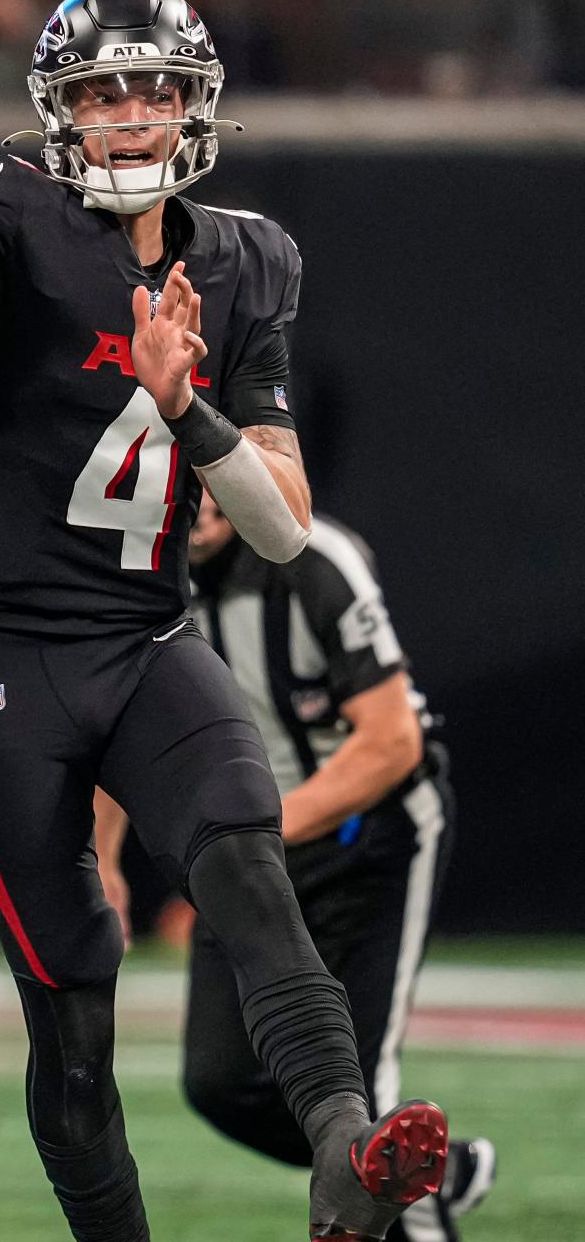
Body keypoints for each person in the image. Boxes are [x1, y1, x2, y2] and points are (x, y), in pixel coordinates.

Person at [0, 0, 448, 1241]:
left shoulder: (246, 259)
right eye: (105, 91)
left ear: (197, 106)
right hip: (2, 660)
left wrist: (192, 410)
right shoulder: (6, 208)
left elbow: (282, 524)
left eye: (157, 89)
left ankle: (349, 1154)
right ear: (62, 111)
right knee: (73, 1001)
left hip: (146, 639)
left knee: (251, 873)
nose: (131, 114)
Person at [96, 494, 496, 1241]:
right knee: (219, 1084)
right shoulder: (136, 575)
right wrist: (105, 861)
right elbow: (120, 719)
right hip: (248, 839)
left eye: (214, 474)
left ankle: (399, 1211)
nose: (204, 499)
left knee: (358, 1088)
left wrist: (244, 843)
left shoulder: (312, 560)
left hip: (371, 834)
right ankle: (426, 1180)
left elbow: (390, 744)